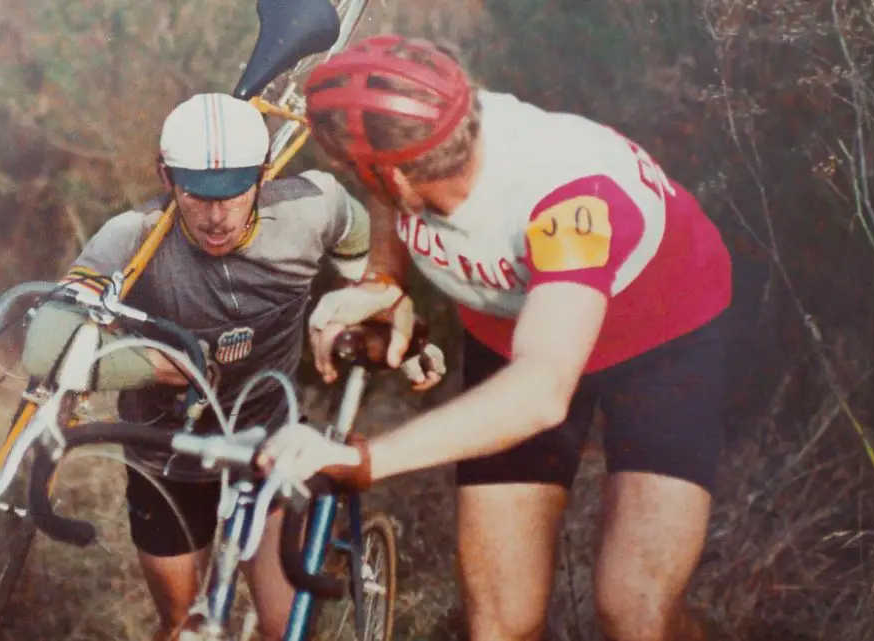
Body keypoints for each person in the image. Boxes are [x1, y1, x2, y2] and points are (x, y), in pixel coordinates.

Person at [255, 35, 733, 641]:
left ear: (395, 176)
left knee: (634, 609)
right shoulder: (430, 133)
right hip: (514, 333)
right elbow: (387, 197)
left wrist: (365, 459)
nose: (353, 183)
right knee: (499, 622)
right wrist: (385, 278)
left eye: (351, 172)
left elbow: (539, 394)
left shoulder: (569, 199)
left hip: (661, 343)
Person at [19, 92, 445, 641]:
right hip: (166, 453)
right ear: (166, 176)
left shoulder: (313, 207)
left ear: (265, 174)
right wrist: (151, 364)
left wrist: (383, 321)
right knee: (184, 624)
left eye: (235, 192)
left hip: (265, 438)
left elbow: (363, 248)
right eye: (198, 195)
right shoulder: (133, 236)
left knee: (283, 627)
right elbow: (43, 347)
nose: (217, 217)